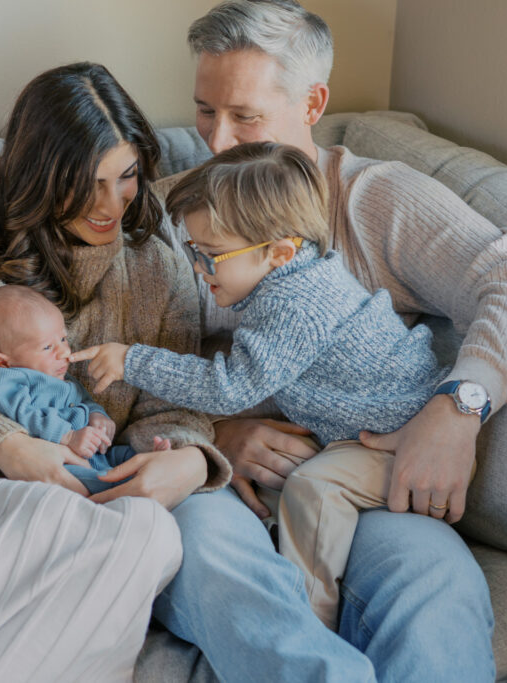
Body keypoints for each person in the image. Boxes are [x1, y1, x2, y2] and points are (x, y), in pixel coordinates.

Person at [142, 1, 507, 681]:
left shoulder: (373, 201)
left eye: (245, 117)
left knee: (436, 586)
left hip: (361, 477)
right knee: (204, 556)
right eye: (204, 112)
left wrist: (456, 410)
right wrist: (213, 430)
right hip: (221, 486)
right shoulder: (173, 213)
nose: (216, 142)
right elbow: (109, 360)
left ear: (312, 102)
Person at [0, 61, 231, 681]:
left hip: (84, 487)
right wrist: (11, 447)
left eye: (129, 176)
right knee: (60, 518)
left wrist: (184, 455)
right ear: (40, 174)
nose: (113, 204)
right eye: (90, 183)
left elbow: (174, 396)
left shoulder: (153, 265)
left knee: (156, 535)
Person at [75, 140, 463, 630]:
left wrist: (133, 361)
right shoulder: (289, 279)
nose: (198, 268)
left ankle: (312, 617)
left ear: (279, 252)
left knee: (312, 490)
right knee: (285, 488)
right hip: (365, 432)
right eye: (194, 250)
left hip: (399, 443)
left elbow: (228, 389)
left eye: (211, 255)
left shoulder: (295, 305)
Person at [0, 283, 172, 494]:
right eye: (47, 347)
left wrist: (97, 415)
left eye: (63, 339)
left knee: (127, 454)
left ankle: (150, 461)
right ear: (2, 362)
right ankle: (128, 483)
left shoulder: (60, 377)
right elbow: (24, 414)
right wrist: (67, 436)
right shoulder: (2, 381)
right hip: (59, 461)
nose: (64, 351)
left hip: (96, 454)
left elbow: (84, 400)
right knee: (99, 479)